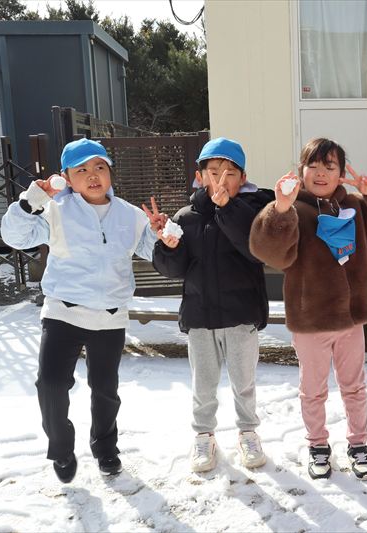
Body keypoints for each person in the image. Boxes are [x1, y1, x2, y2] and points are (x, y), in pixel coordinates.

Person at [0, 138, 166, 483]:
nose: (93, 175)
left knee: (105, 390)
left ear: (110, 173)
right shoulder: (55, 210)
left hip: (109, 316)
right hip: (64, 311)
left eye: (100, 167)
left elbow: (156, 254)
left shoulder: (131, 215)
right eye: (82, 170)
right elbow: (16, 237)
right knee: (50, 384)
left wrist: (162, 234)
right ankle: (61, 448)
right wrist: (31, 201)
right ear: (67, 178)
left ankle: (105, 448)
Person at [249, 138, 367, 481]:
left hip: (350, 320)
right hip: (311, 321)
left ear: (340, 173)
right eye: (314, 165)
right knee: (313, 391)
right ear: (301, 170)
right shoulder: (293, 210)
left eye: (330, 166)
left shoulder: (356, 208)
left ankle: (358, 445)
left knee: (355, 388)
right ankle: (318, 446)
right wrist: (279, 209)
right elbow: (270, 252)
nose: (321, 173)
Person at [152, 137, 274, 473]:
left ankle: (248, 432)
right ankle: (203, 436)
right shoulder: (186, 217)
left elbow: (256, 251)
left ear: (243, 178)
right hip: (200, 316)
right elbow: (173, 270)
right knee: (203, 385)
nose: (221, 179)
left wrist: (227, 209)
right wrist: (169, 247)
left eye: (230, 173)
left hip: (241, 315)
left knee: (243, 382)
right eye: (214, 172)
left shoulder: (253, 213)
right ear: (200, 176)